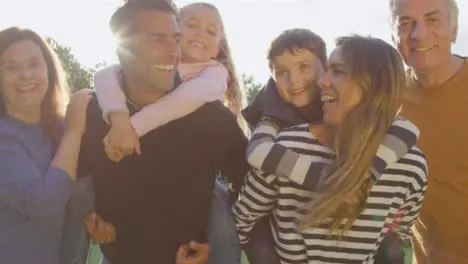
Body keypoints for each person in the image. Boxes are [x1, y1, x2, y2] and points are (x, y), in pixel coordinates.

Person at [77, 1, 249, 264]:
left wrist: (217, 245)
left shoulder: (212, 119)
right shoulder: (94, 111)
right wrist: (89, 213)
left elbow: (248, 183)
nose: (174, 51)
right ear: (124, 49)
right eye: (159, 39)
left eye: (176, 39)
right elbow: (78, 177)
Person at [233, 35, 428, 263]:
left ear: (371, 83)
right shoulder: (286, 147)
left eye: (337, 71)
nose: (321, 81)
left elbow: (396, 238)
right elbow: (243, 219)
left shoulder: (410, 164)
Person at [0, 27, 91, 264]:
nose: (26, 75)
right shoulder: (4, 137)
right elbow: (45, 204)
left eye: (34, 64)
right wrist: (75, 130)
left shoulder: (61, 129)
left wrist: (95, 214)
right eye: (11, 67)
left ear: (48, 70)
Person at [389, 0, 468, 263]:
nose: (418, 34)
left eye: (433, 19)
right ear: (393, 36)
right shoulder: (384, 102)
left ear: (454, 29)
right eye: (405, 23)